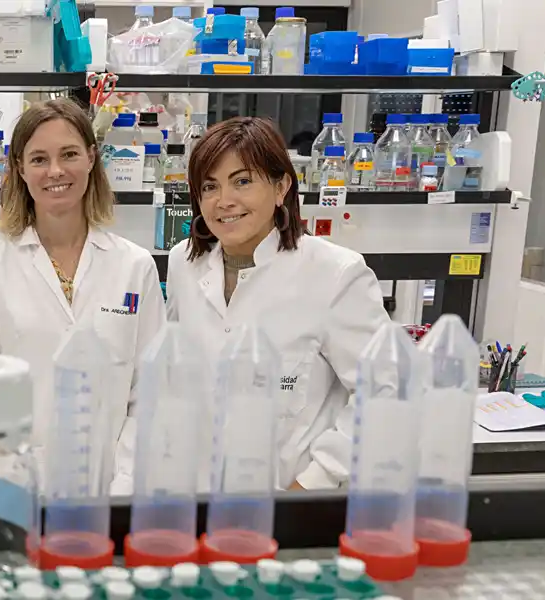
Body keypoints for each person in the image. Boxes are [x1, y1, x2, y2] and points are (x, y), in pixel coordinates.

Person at [161, 116, 390, 491]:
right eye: (209, 186)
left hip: (288, 504)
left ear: (281, 185)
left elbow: (386, 390)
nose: (224, 201)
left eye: (242, 181)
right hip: (194, 499)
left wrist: (316, 480)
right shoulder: (184, 263)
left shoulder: (334, 273)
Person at [0, 98, 166, 491]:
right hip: (19, 489)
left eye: (69, 154)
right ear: (19, 168)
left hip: (114, 488)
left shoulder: (134, 267)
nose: (55, 171)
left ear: (92, 158)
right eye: (39, 159)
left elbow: (150, 396)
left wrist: (123, 485)